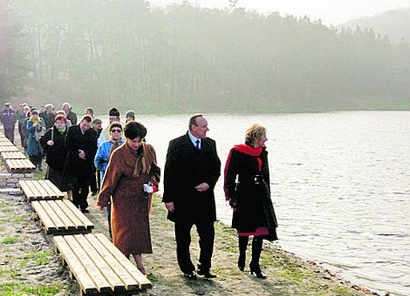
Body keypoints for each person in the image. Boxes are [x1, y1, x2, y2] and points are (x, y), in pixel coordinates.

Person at [96, 121, 159, 275]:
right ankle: (123, 265)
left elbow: (155, 169)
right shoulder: (118, 154)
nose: (136, 144)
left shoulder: (149, 150)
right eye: (133, 141)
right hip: (123, 199)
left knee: (139, 232)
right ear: (127, 138)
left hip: (141, 198)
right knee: (123, 234)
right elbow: (110, 178)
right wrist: (103, 199)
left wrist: (153, 180)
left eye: (139, 141)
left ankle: (140, 266)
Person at [163, 114, 221, 279]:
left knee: (208, 235)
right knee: (183, 237)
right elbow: (169, 172)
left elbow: (216, 169)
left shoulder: (210, 144)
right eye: (203, 126)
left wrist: (209, 184)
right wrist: (168, 198)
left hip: (205, 199)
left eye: (207, 126)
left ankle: (205, 267)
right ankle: (187, 268)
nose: (207, 129)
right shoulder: (176, 144)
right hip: (183, 199)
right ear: (193, 127)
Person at [224, 124, 278, 279]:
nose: (266, 139)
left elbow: (266, 175)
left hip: (261, 193)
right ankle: (242, 255)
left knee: (260, 231)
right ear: (255, 136)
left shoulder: (263, 153)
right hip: (244, 193)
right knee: (245, 229)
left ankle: (255, 264)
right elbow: (229, 174)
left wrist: (268, 195)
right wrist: (231, 196)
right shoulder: (237, 152)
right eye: (264, 136)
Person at [94, 122, 124, 236]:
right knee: (110, 208)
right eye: (114, 131)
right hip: (108, 180)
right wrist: (106, 169)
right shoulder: (104, 146)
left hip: (122, 181)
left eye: (118, 131)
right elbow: (97, 161)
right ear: (110, 132)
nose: (116, 133)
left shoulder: (125, 145)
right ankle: (112, 233)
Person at [65, 115, 98, 212]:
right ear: (81, 122)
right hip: (74, 162)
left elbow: (94, 147)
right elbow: (68, 144)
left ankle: (83, 204)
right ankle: (75, 203)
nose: (85, 127)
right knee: (75, 184)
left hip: (87, 163)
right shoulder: (72, 130)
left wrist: (85, 153)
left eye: (88, 126)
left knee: (85, 186)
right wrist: (77, 153)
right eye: (84, 125)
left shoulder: (93, 133)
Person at [40, 113, 71, 193]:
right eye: (58, 123)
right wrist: (47, 142)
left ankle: (70, 197)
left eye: (61, 122)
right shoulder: (51, 132)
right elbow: (42, 140)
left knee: (68, 181)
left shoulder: (69, 132)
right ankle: (52, 193)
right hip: (53, 160)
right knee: (53, 180)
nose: (59, 124)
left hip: (66, 161)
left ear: (65, 123)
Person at [90, 117, 103, 195]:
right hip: (93, 153)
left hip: (99, 153)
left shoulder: (103, 132)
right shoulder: (91, 132)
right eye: (97, 123)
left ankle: (100, 187)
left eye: (100, 123)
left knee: (100, 171)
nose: (99, 125)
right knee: (92, 172)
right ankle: (94, 189)